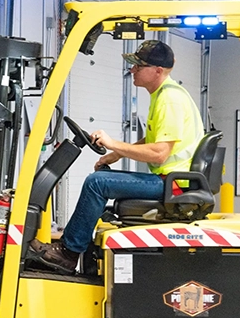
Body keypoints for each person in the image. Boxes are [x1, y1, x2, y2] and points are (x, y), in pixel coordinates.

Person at [30, 40, 204, 274]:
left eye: (139, 66)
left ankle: (68, 254)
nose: (132, 70)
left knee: (96, 183)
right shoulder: (164, 94)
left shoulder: (169, 99)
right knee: (101, 178)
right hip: (171, 181)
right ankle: (77, 247)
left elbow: (159, 153)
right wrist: (114, 154)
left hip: (173, 184)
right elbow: (153, 139)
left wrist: (112, 143)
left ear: (157, 71)